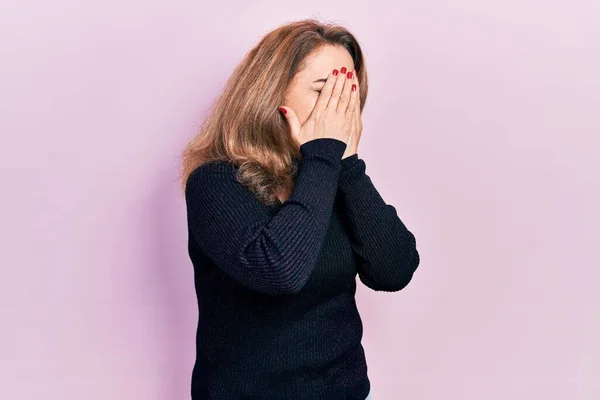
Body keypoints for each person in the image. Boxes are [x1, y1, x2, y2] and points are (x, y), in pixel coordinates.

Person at [181, 18, 420, 400]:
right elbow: (280, 271)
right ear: (270, 93)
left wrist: (348, 166)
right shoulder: (215, 182)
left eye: (348, 92)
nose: (341, 107)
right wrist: (325, 153)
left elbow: (395, 269)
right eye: (325, 90)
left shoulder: (331, 175)